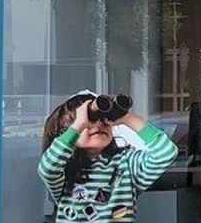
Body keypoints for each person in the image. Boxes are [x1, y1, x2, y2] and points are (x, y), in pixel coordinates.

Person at [37, 92, 178, 223]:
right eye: (90, 120)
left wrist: (128, 118)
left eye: (102, 120)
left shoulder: (126, 163)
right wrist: (78, 124)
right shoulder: (65, 170)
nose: (98, 124)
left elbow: (166, 152)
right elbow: (47, 169)